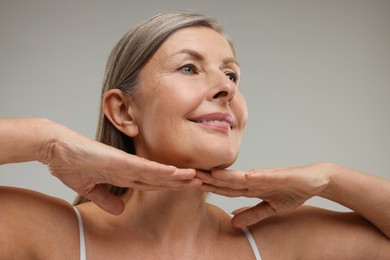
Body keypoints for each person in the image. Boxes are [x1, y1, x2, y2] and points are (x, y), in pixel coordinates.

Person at [0, 12, 389, 259]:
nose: (227, 89)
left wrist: (329, 178)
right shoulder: (51, 236)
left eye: (232, 74)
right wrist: (44, 140)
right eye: (189, 68)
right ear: (123, 111)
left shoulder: (279, 244)